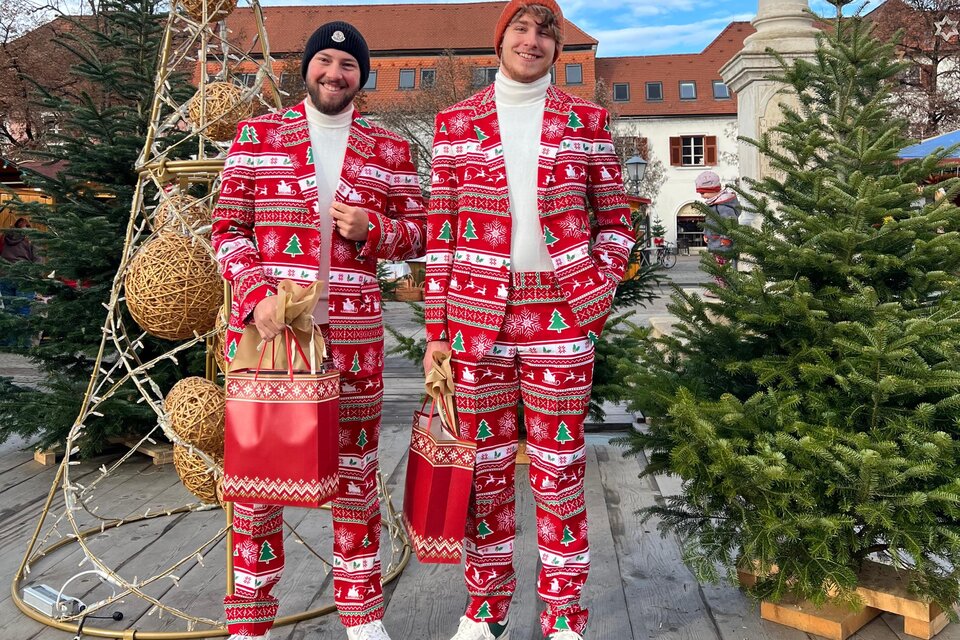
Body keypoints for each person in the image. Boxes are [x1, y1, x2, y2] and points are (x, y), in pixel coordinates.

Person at [423, 2, 634, 639]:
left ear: (556, 47)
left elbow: (617, 223)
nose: (533, 40)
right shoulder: (456, 122)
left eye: (546, 32)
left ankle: (564, 618)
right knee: (483, 472)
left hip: (560, 315)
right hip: (473, 317)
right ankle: (484, 612)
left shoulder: (586, 119)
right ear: (500, 39)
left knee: (559, 469)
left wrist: (590, 295)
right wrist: (437, 330)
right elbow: (441, 235)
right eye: (521, 28)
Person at [211, 21, 426, 640]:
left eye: (348, 65)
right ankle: (250, 624)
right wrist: (253, 295)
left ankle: (361, 620)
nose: (335, 74)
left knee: (356, 474)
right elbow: (227, 229)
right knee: (257, 483)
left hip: (353, 340)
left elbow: (419, 235)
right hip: (269, 337)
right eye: (325, 61)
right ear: (306, 67)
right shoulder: (258, 136)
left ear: (363, 76)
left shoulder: (388, 148)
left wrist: (374, 230)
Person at [695, 171, 740, 292]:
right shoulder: (713, 205)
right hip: (715, 242)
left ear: (712, 189)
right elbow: (709, 221)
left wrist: (727, 238)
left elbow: (731, 223)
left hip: (722, 243)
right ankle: (720, 286)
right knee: (717, 264)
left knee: (722, 265)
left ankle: (724, 287)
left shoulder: (723, 206)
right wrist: (706, 233)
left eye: (702, 192)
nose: (702, 196)